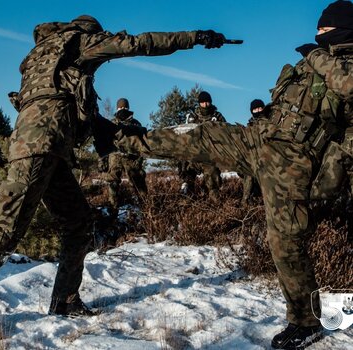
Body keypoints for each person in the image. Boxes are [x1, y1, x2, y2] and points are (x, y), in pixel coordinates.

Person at [0, 15, 227, 340]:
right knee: (5, 229)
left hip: (50, 147)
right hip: (40, 146)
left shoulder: (44, 57)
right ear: (92, 33)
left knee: (78, 222)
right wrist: (195, 36)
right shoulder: (81, 42)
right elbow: (139, 43)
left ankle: (65, 300)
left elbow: (69, 105)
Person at [114, 1, 353, 348]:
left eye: (326, 31)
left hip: (293, 161)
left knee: (285, 242)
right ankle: (123, 138)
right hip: (258, 139)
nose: (318, 36)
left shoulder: (337, 65)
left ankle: (305, 320)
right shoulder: (309, 66)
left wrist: (317, 56)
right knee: (201, 136)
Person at [102, 98, 147, 215]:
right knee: (113, 183)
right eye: (120, 107)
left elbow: (141, 143)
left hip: (131, 158)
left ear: (128, 107)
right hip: (114, 157)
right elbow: (106, 142)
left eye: (125, 107)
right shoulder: (111, 123)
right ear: (117, 108)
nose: (123, 109)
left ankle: (146, 210)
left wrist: (139, 160)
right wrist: (103, 159)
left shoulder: (136, 123)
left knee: (139, 183)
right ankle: (113, 211)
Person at [179, 91, 226, 201]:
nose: (205, 105)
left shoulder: (217, 116)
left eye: (207, 102)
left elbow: (225, 135)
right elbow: (184, 136)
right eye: (203, 102)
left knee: (212, 181)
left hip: (210, 156)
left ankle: (215, 207)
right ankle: (187, 206)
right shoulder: (192, 117)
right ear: (199, 103)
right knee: (187, 179)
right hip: (194, 155)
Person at [241, 99, 265, 206]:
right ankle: (246, 200)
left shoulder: (269, 123)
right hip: (252, 157)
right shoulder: (249, 127)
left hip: (268, 157)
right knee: (249, 174)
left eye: (260, 108)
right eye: (255, 109)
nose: (258, 111)